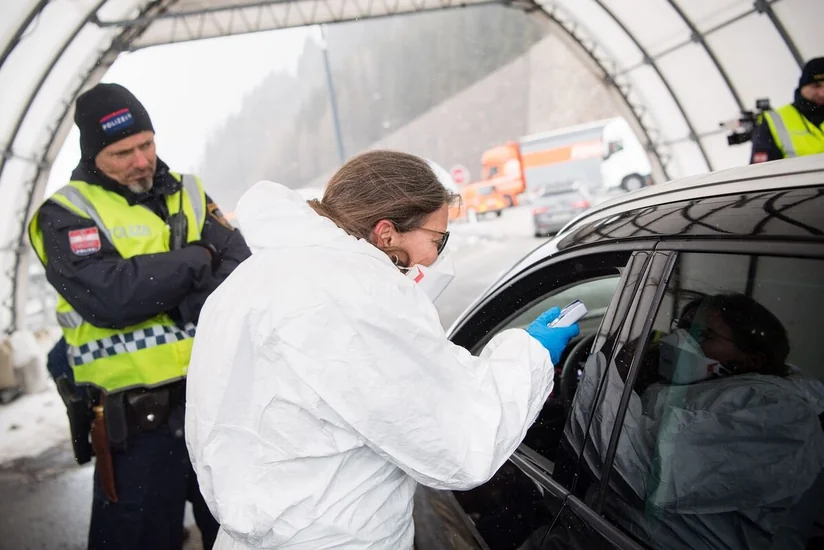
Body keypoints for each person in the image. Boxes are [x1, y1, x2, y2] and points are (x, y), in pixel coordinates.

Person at [185, 150, 581, 549]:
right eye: (437, 240)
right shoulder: (355, 294)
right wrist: (529, 355)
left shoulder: (249, 282)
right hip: (339, 536)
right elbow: (458, 442)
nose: (434, 257)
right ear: (387, 233)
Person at [28, 83, 251, 550]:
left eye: (146, 144)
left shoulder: (189, 192)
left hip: (214, 411)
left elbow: (240, 270)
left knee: (244, 536)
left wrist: (173, 288)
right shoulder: (65, 214)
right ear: (94, 156)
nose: (141, 160)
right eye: (122, 152)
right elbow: (111, 299)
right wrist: (196, 259)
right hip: (135, 431)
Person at [750, 57, 824, 163]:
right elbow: (760, 172)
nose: (822, 93)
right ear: (802, 87)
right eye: (816, 86)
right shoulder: (774, 120)